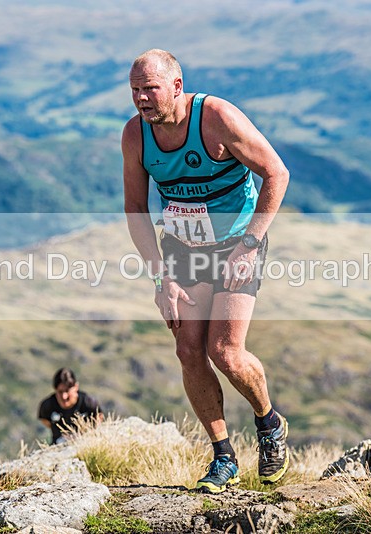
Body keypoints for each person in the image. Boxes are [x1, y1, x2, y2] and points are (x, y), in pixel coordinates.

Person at [122, 50, 291, 493]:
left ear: (177, 86)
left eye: (150, 88)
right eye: (135, 89)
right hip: (181, 248)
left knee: (226, 351)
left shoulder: (216, 118)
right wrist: (161, 277)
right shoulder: (135, 136)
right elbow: (136, 208)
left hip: (238, 244)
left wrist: (251, 244)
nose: (141, 98)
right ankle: (223, 457)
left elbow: (277, 173)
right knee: (188, 350)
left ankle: (269, 423)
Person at [38, 368, 104, 445]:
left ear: (76, 387)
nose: (64, 396)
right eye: (60, 392)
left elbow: (99, 416)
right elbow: (44, 419)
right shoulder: (48, 405)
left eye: (67, 391)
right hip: (58, 446)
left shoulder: (88, 402)